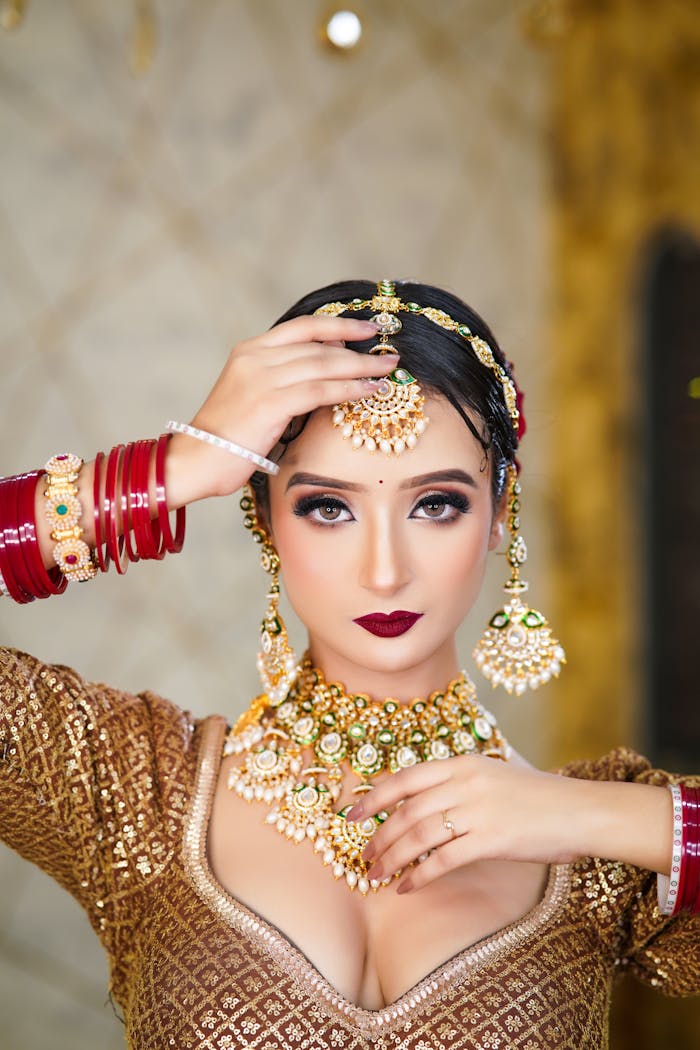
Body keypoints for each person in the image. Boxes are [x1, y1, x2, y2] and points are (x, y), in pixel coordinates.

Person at [0, 278, 698, 1050]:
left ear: (501, 512)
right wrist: (171, 469)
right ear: (264, 519)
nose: (384, 571)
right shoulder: (137, 791)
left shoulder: (604, 852)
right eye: (327, 507)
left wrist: (588, 817)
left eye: (436, 503)